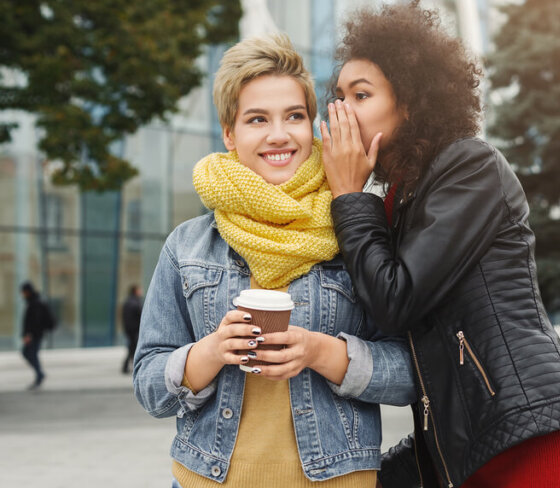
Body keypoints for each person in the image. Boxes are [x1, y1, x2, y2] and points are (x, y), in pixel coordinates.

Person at [321, 0, 560, 488]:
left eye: (360, 95)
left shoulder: (470, 167)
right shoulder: (399, 199)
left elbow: (395, 298)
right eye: (338, 96)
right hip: (475, 452)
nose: (341, 112)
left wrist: (350, 197)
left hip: (543, 446)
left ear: (411, 102)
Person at [133, 34, 415, 488]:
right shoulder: (187, 246)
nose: (279, 135)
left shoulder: (359, 235)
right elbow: (149, 384)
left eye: (295, 116)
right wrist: (209, 353)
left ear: (312, 125)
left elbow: (411, 373)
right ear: (230, 133)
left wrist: (322, 353)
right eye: (257, 119)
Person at [20, 281, 52, 389]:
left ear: (27, 291)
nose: (22, 294)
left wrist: (29, 335)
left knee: (30, 353)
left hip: (35, 335)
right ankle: (39, 374)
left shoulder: (35, 303)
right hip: (35, 334)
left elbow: (34, 322)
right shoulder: (32, 301)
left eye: (23, 292)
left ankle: (39, 375)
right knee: (29, 353)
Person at [121, 284, 143, 374]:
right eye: (139, 290)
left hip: (129, 329)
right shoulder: (135, 303)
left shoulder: (128, 302)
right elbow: (140, 316)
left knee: (132, 348)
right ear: (135, 291)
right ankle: (131, 367)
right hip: (134, 329)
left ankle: (126, 367)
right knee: (133, 348)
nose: (141, 291)